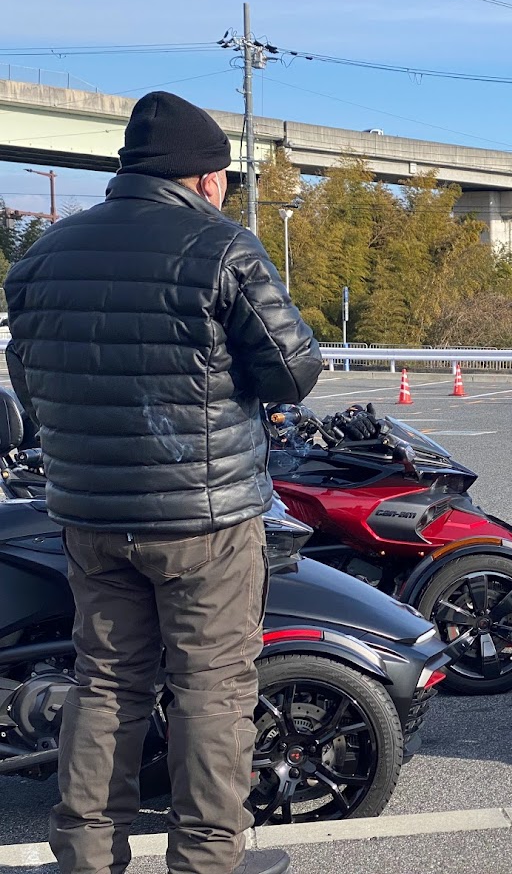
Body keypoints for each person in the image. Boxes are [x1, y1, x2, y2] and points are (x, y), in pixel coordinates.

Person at [4, 91, 323, 874]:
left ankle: (86, 858)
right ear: (207, 178)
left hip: (89, 515)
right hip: (205, 519)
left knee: (105, 682)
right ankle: (207, 862)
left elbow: (31, 388)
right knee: (211, 690)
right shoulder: (223, 247)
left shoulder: (43, 255)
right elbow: (293, 371)